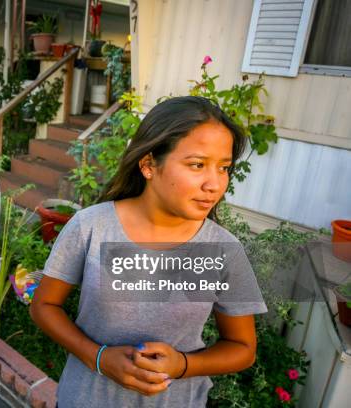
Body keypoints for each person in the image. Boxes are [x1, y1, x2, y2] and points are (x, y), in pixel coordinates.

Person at [30, 96, 267, 407]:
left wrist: (183, 365)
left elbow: (242, 347)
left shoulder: (224, 250)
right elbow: (44, 305)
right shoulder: (91, 226)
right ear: (149, 165)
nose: (215, 184)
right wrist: (99, 358)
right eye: (197, 165)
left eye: (223, 168)